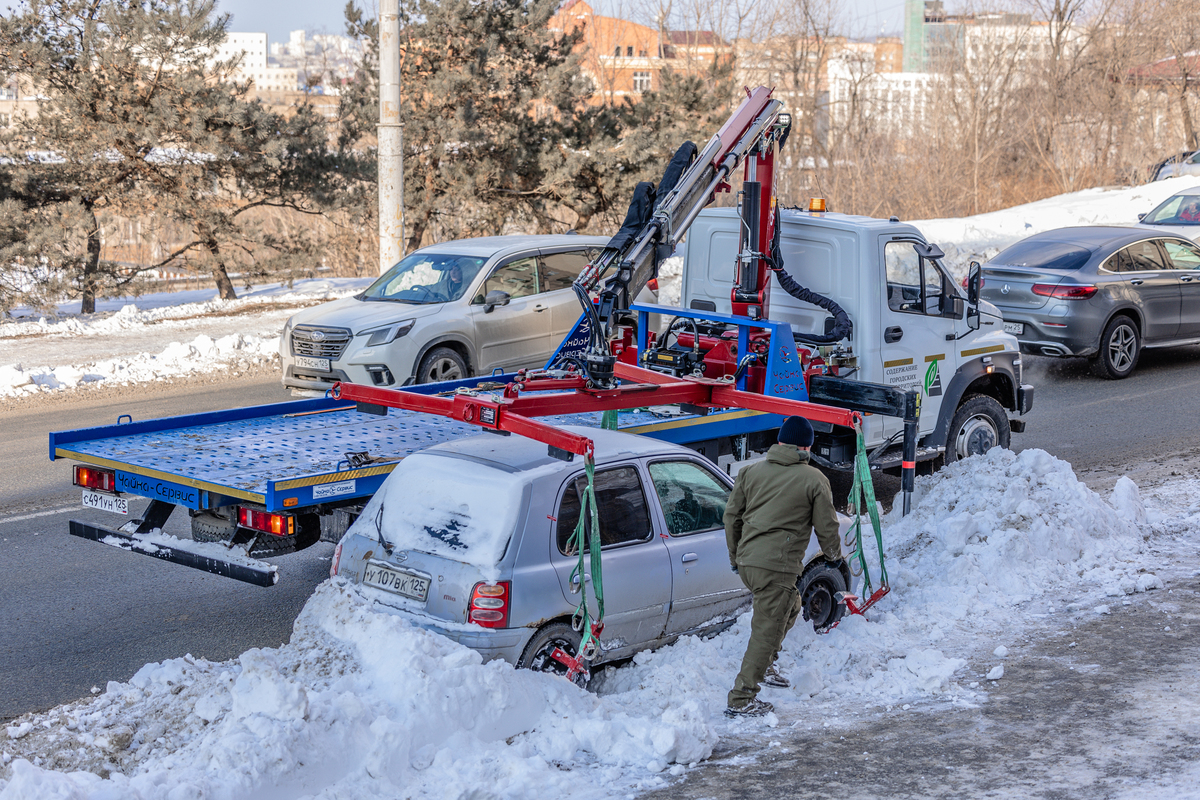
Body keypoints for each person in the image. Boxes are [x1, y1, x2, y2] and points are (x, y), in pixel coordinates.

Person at [723, 415, 843, 717]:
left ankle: (765, 665)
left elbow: (731, 517)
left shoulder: (750, 472)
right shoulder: (814, 479)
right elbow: (827, 526)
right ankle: (741, 698)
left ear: (780, 442)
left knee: (791, 605)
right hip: (776, 566)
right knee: (765, 631)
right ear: (807, 446)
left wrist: (735, 557)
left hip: (749, 562)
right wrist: (834, 557)